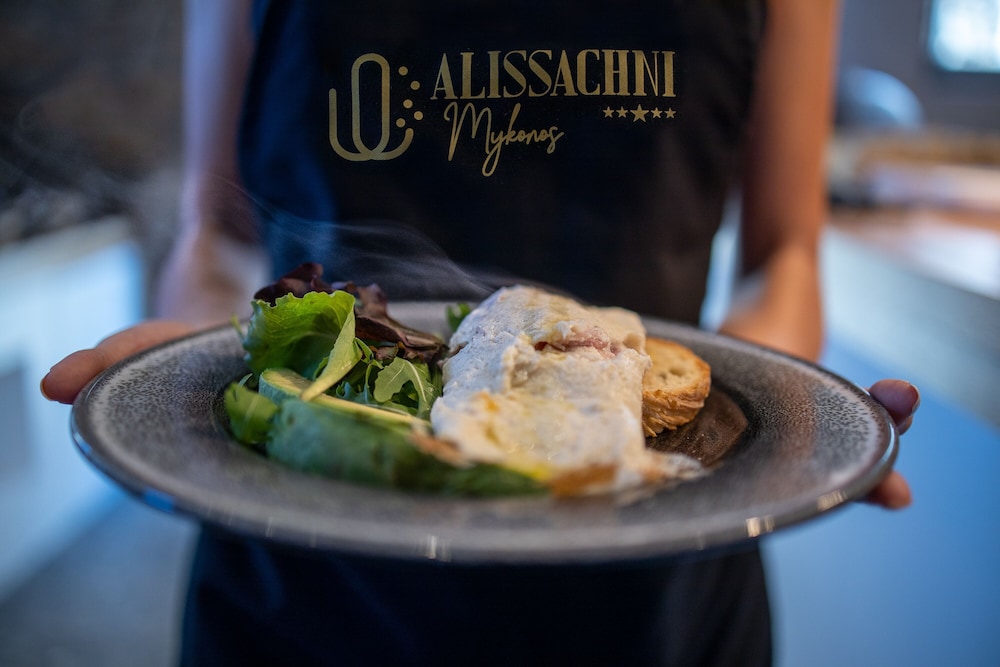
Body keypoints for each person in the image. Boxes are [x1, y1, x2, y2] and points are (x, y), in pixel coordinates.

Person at [42, 1, 919, 664]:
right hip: (307, 580)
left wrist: (788, 418)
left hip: (659, 575)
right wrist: (203, 355)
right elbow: (222, 233)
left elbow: (783, 255)